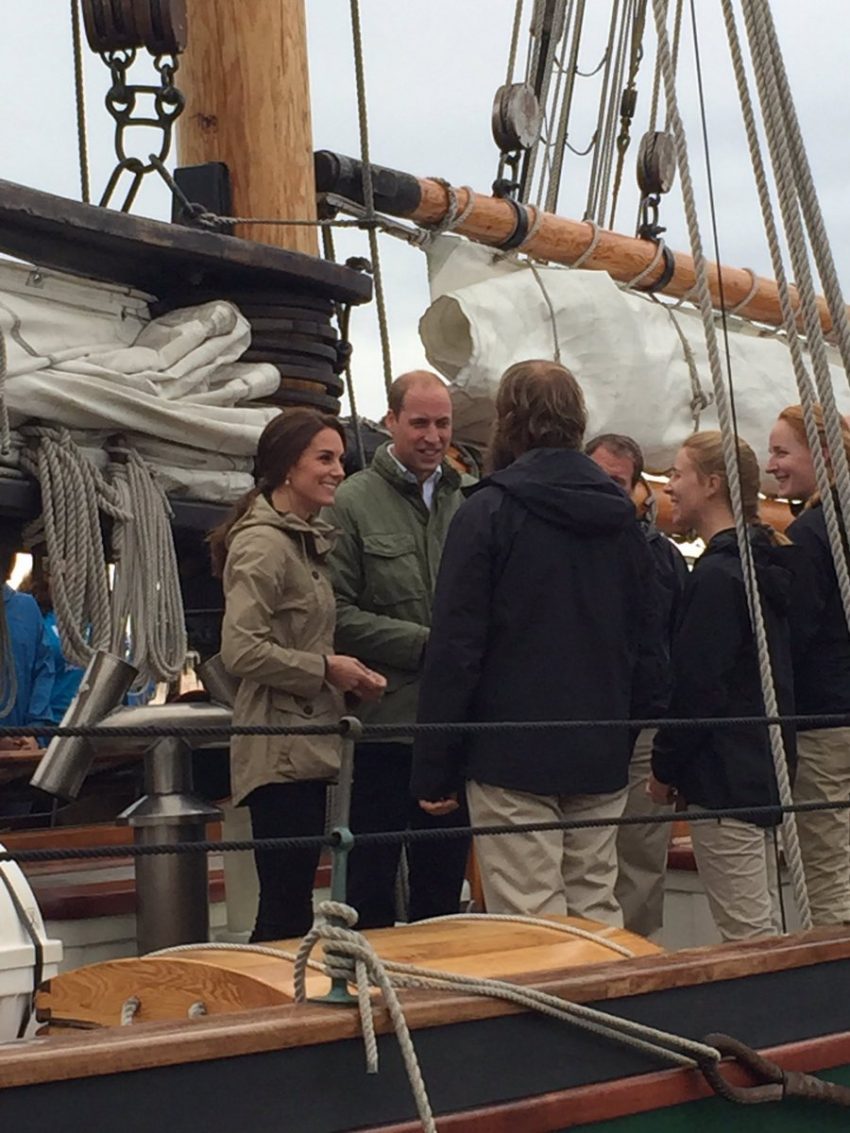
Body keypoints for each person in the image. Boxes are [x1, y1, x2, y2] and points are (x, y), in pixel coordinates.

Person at [411, 360, 663, 926]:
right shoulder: (623, 524)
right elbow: (649, 643)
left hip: (510, 757)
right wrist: (624, 735)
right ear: (577, 423)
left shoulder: (487, 513)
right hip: (599, 750)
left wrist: (435, 766)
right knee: (594, 908)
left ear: (507, 422)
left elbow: (456, 648)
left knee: (530, 919)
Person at [210, 409, 385, 942]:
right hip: (279, 750)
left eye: (341, 459)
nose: (339, 471)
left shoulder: (300, 541)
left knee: (290, 901)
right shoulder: (264, 545)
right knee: (284, 905)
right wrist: (327, 669)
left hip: (301, 744)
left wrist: (343, 679)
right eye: (325, 458)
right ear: (288, 467)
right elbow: (241, 650)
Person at [327, 370, 468, 929]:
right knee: (369, 884)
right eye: (420, 423)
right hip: (383, 728)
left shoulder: (468, 500)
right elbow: (335, 613)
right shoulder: (351, 503)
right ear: (391, 422)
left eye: (443, 424)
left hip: (452, 729)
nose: (433, 437)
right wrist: (428, 647)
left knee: (444, 887)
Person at [650, 431, 797, 942]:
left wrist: (664, 768)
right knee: (764, 928)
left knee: (749, 938)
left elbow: (698, 689)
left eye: (677, 474)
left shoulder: (717, 577)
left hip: (723, 784)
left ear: (712, 484)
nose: (669, 486)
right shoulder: (765, 566)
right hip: (763, 775)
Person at [586, 433, 688, 938]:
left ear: (636, 491)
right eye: (597, 480)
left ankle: (635, 952)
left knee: (640, 853)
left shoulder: (663, 559)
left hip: (644, 724)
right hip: (583, 723)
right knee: (581, 852)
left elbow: (680, 643)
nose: (608, 493)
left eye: (618, 484)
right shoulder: (563, 548)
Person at [767, 404, 850, 926]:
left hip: (824, 724)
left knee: (828, 871)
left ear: (821, 454)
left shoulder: (811, 534)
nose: (771, 465)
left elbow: (793, 636)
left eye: (782, 451)